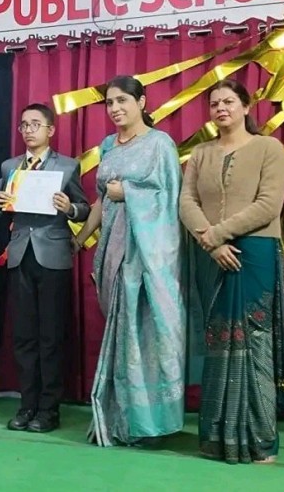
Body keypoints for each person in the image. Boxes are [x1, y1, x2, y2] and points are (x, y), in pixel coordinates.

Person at [180, 78, 284, 465]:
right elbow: (187, 201)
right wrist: (211, 243)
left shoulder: (268, 148)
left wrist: (218, 234)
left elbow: (269, 205)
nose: (221, 109)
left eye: (228, 102)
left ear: (246, 107)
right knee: (218, 340)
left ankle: (259, 441)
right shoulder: (201, 153)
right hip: (210, 254)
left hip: (255, 251)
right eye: (214, 104)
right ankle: (217, 438)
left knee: (253, 340)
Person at [73, 75, 185, 447]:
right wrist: (80, 239)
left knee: (147, 335)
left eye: (123, 100)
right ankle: (121, 418)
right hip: (113, 254)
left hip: (150, 256)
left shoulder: (160, 144)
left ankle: (150, 424)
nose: (116, 108)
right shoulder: (109, 146)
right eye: (109, 102)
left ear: (142, 102)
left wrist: (130, 192)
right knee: (122, 336)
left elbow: (170, 199)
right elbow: (101, 201)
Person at [0, 103, 90, 434]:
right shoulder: (10, 166)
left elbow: (85, 207)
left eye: (35, 124)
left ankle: (49, 409)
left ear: (50, 130)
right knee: (23, 335)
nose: (28, 130)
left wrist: (70, 207)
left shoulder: (67, 166)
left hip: (54, 256)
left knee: (51, 335)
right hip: (20, 254)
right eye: (24, 125)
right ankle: (27, 404)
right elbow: (5, 209)